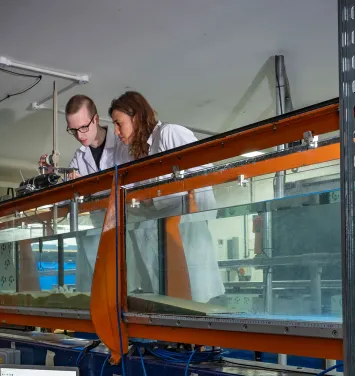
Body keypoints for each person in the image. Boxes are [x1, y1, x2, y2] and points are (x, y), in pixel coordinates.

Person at [108, 91, 224, 304]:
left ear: (136, 117)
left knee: (193, 304)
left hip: (186, 237)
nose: (116, 131)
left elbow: (203, 176)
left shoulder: (170, 134)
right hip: (160, 244)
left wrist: (154, 199)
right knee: (171, 306)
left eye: (119, 123)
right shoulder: (136, 152)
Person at [40, 95, 129, 293]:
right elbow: (66, 202)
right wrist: (56, 180)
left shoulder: (123, 146)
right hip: (96, 235)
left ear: (95, 120)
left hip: (126, 231)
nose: (79, 136)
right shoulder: (78, 157)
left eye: (83, 128)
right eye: (73, 130)